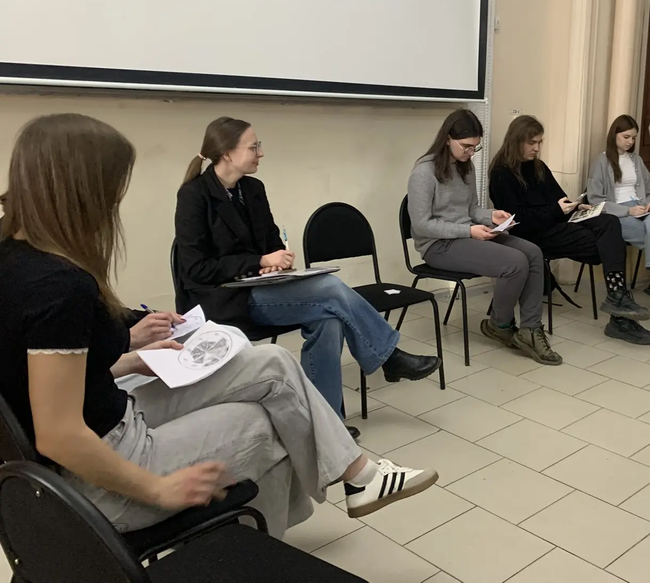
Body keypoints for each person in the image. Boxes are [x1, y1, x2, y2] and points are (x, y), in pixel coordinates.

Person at [0, 113, 437, 539]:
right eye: (113, 192)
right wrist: (156, 488)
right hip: (103, 469)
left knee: (274, 360)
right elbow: (58, 435)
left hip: (110, 414)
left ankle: (358, 477)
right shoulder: (59, 286)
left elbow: (39, 377)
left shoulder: (17, 261)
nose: (114, 207)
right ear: (83, 194)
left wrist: (130, 360)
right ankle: (258, 547)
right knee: (274, 419)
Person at [174, 117, 440, 436]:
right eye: (254, 147)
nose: (261, 153)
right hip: (224, 299)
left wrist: (278, 260)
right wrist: (258, 260)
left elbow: (270, 241)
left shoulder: (253, 189)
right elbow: (196, 268)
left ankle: (327, 426)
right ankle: (389, 357)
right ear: (227, 153)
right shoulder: (194, 195)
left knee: (329, 320)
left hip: (262, 288)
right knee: (328, 288)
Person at [408, 109, 559, 365]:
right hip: (438, 245)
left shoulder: (465, 167)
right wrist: (468, 231)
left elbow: (471, 210)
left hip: (467, 234)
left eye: (474, 147)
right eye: (466, 146)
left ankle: (531, 329)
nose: (470, 152)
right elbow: (422, 225)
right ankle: (500, 324)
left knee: (533, 253)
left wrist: (491, 216)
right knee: (515, 263)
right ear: (448, 139)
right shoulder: (424, 172)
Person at [489, 115, 650, 345]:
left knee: (609, 222)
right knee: (607, 245)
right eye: (532, 143)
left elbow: (560, 198)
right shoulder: (502, 173)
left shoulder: (538, 167)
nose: (537, 148)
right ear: (516, 141)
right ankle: (620, 316)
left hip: (556, 224)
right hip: (531, 235)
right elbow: (518, 220)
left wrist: (577, 207)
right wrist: (556, 210)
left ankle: (617, 299)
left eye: (540, 142)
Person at [586, 114, 650, 323]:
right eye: (626, 137)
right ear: (614, 135)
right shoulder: (601, 161)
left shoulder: (636, 160)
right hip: (618, 214)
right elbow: (595, 200)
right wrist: (627, 211)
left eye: (634, 138)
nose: (630, 142)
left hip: (642, 208)